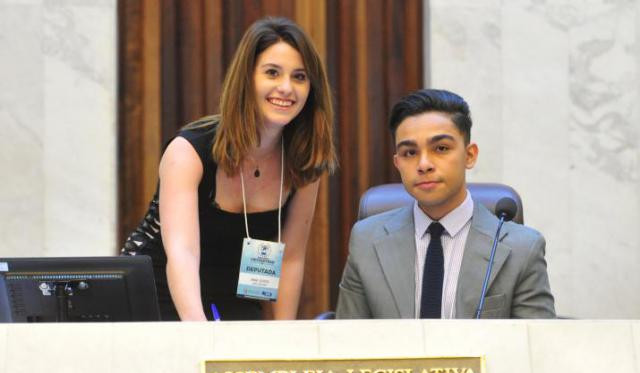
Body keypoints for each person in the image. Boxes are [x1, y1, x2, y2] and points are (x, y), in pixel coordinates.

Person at [122, 17, 336, 321]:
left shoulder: (304, 161)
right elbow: (183, 254)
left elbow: (290, 259)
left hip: (238, 296)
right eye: (272, 73)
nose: (287, 88)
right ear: (246, 79)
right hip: (158, 294)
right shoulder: (188, 152)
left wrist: (282, 340)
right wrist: (200, 338)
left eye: (300, 77)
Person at [336, 89, 555, 319]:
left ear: (469, 155)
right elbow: (347, 344)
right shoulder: (366, 241)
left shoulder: (523, 249)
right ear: (397, 163)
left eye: (440, 148)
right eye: (410, 152)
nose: (424, 164)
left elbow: (537, 349)